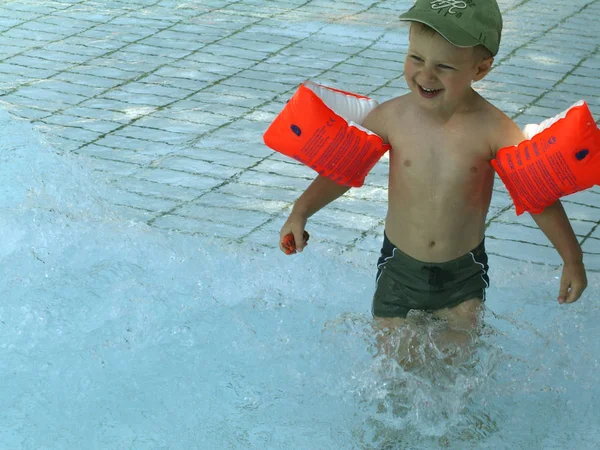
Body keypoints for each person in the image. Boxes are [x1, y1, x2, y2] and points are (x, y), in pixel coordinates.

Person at [278, 0, 587, 359]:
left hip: (462, 275)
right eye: (416, 58)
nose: (425, 75)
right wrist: (301, 212)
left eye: (443, 66)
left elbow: (539, 196)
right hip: (398, 268)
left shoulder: (495, 130)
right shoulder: (393, 117)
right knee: (391, 369)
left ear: (481, 68)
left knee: (457, 370)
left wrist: (572, 259)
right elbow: (343, 172)